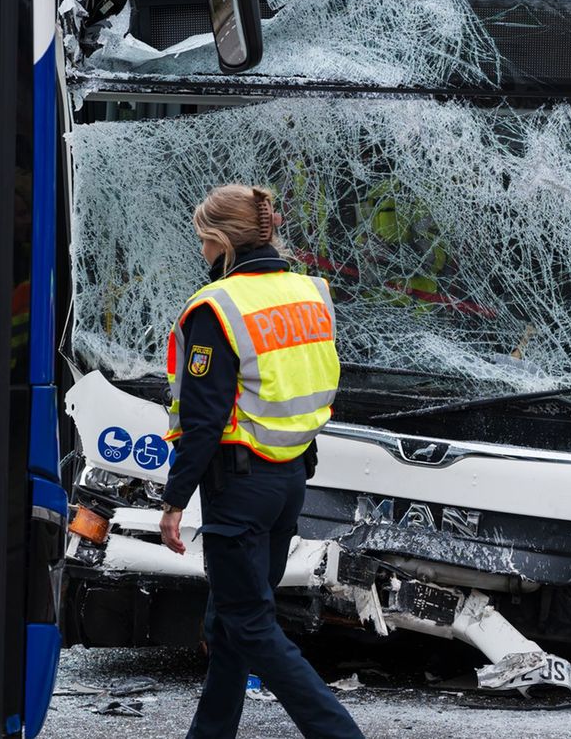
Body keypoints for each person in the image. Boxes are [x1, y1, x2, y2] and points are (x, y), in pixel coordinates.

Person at [158, 184, 364, 739]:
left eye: (204, 241)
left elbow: (202, 420)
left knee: (249, 624)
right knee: (231, 620)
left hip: (240, 487)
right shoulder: (310, 293)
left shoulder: (217, 307)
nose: (201, 252)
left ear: (222, 241)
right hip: (290, 479)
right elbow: (311, 383)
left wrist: (174, 501)